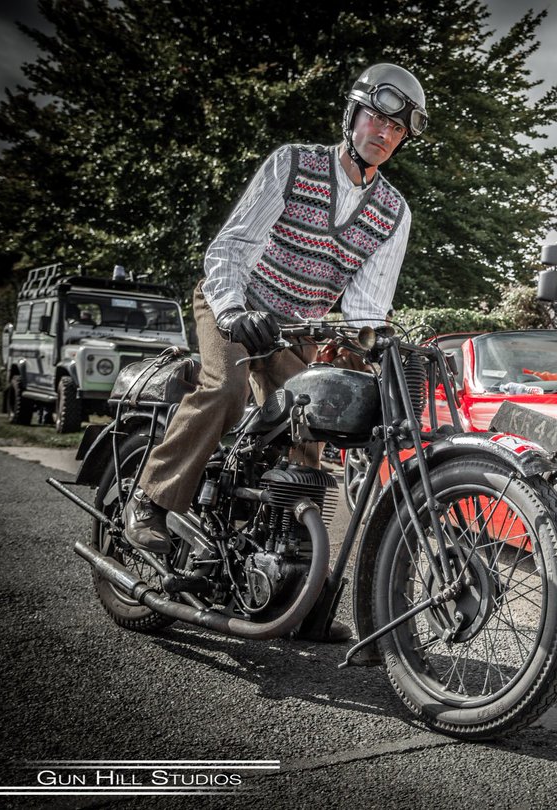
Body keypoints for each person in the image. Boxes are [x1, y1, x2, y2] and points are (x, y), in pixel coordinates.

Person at [124, 64, 428, 586]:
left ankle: (293, 577)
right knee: (226, 391)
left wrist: (373, 345)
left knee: (309, 426)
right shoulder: (293, 164)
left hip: (297, 328)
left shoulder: (393, 211)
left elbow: (367, 306)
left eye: (396, 128)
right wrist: (232, 311)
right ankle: (150, 499)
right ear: (352, 116)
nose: (384, 133)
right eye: (376, 118)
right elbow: (232, 247)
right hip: (235, 302)